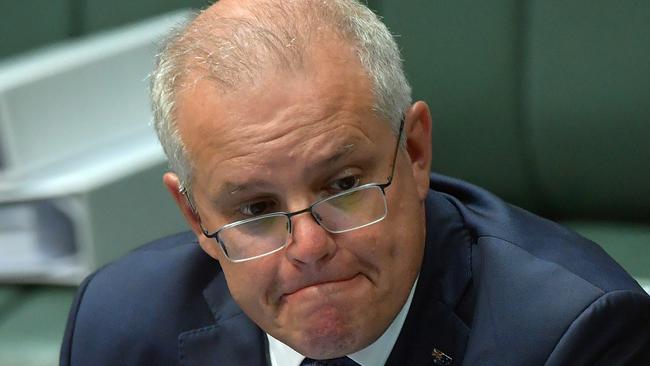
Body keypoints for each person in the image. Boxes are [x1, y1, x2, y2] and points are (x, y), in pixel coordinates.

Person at [60, 0, 650, 365]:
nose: (309, 248)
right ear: (196, 220)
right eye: (256, 209)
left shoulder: (576, 337)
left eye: (341, 185)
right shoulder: (119, 325)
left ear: (414, 152)